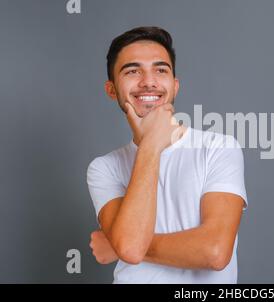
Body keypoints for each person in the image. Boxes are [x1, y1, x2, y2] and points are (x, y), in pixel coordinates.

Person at [86, 26, 248, 283]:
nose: (148, 81)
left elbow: (214, 251)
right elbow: (128, 247)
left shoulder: (219, 147)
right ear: (112, 90)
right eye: (132, 71)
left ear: (174, 86)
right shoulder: (104, 168)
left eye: (160, 70)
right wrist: (151, 146)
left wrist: (118, 245)